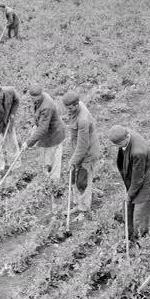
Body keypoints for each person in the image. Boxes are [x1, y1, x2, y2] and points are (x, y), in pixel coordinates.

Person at [108, 125, 150, 242]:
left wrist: (129, 194)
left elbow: (138, 179)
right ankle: (130, 236)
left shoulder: (138, 152)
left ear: (126, 137)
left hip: (146, 182)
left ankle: (141, 242)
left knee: (139, 216)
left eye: (119, 145)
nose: (118, 148)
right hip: (135, 177)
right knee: (128, 208)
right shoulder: (124, 134)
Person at [63, 91, 101, 221]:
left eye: (69, 109)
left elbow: (83, 146)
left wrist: (73, 161)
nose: (67, 111)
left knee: (82, 181)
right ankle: (77, 204)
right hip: (78, 148)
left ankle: (84, 209)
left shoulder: (83, 120)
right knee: (73, 177)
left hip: (88, 152)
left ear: (75, 105)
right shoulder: (76, 108)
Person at [21, 87, 66, 182]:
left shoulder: (47, 106)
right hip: (47, 134)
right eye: (31, 98)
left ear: (40, 95)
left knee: (54, 159)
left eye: (34, 98)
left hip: (55, 134)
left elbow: (43, 128)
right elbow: (37, 114)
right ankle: (45, 176)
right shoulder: (39, 99)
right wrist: (34, 125)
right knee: (46, 157)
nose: (32, 100)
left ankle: (54, 183)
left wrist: (28, 143)